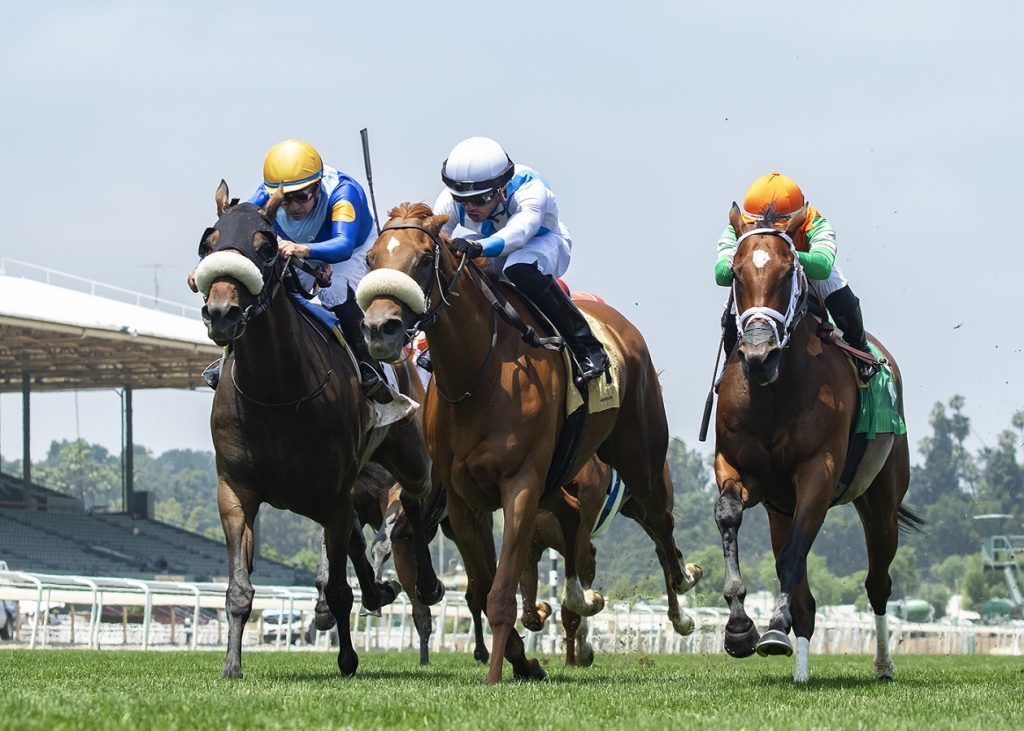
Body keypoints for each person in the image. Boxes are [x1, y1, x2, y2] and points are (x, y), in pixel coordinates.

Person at [194, 139, 392, 403]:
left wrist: (303, 249)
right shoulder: (266, 193)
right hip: (296, 246)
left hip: (351, 247)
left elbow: (343, 246)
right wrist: (203, 266)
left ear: (317, 186)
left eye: (301, 197)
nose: (293, 206)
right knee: (265, 286)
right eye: (285, 200)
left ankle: (369, 366)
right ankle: (228, 359)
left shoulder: (344, 193)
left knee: (334, 291)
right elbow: (237, 230)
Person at [433, 137, 610, 384]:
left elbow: (519, 233)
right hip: (496, 243)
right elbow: (434, 238)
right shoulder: (451, 199)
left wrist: (478, 246)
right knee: (453, 263)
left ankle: (588, 348)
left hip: (544, 241)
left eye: (481, 199)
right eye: (462, 200)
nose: (470, 207)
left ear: (501, 188)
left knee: (517, 267)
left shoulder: (530, 189)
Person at [714, 172, 879, 380]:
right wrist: (742, 262)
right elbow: (721, 276)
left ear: (795, 219)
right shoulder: (736, 228)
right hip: (758, 275)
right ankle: (729, 364)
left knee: (835, 285)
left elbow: (823, 265)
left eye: (776, 226)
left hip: (801, 268)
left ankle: (861, 349)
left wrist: (787, 257)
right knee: (731, 308)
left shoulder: (814, 221)